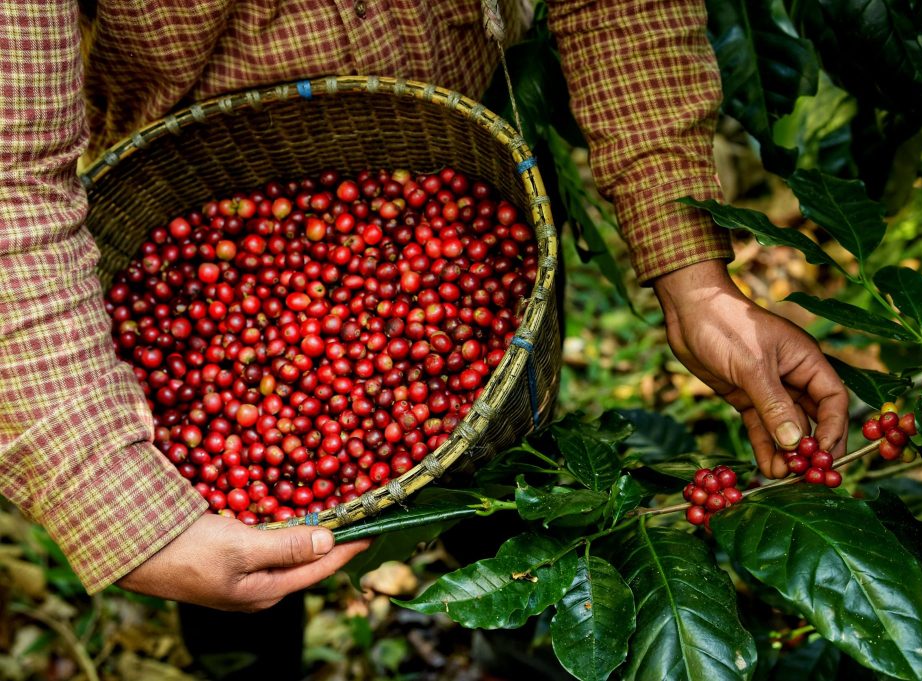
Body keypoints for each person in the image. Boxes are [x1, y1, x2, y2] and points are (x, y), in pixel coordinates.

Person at [0, 0, 848, 613]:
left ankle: (514, 594)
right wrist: (124, 506)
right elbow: (11, 177)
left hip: (459, 144)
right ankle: (243, 652)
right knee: (222, 532)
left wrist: (691, 274)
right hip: (194, 159)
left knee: (509, 455)